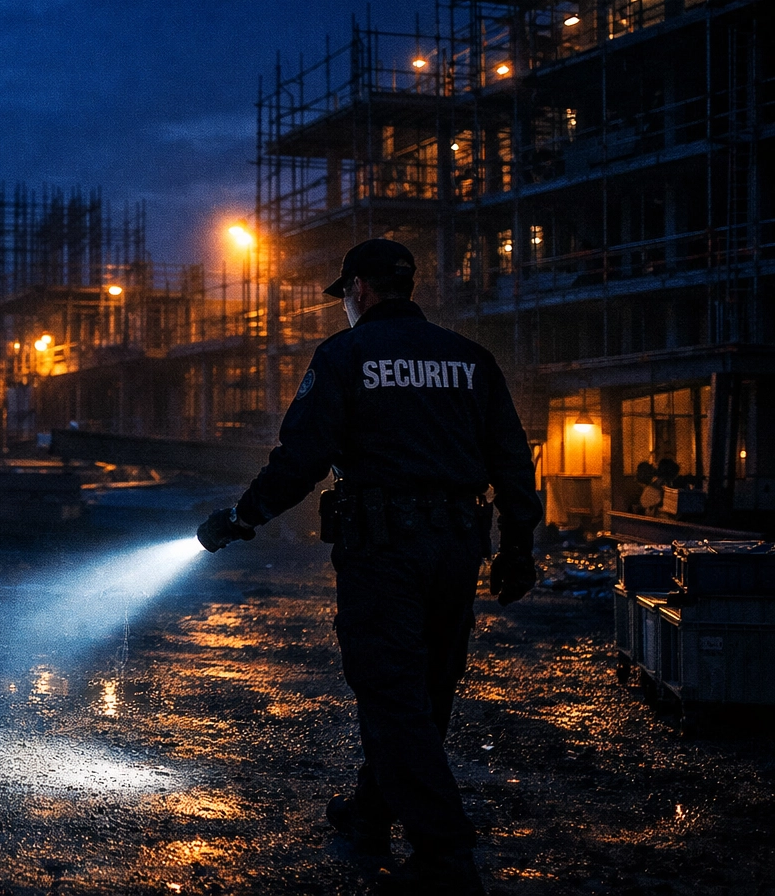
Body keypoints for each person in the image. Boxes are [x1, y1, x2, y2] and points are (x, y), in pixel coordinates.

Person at [197, 238, 541, 896]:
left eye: (346, 293)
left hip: (385, 550)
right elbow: (510, 456)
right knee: (428, 687)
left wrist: (243, 518)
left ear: (359, 288)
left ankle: (444, 854)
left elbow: (301, 457)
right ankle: (371, 812)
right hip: (458, 546)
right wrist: (519, 544)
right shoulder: (470, 360)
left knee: (390, 693)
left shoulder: (346, 356)